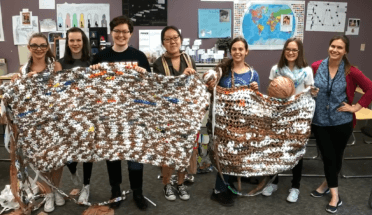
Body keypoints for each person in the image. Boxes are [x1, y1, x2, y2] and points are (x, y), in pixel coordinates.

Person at [310, 35, 372, 213]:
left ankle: (331, 191)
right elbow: (308, 89)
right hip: (320, 121)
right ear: (328, 47)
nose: (335, 50)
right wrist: (311, 92)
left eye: (340, 47)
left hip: (342, 122)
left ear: (345, 51)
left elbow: (371, 89)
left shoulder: (351, 71)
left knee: (335, 157)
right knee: (328, 157)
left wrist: (356, 107)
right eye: (333, 46)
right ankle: (332, 191)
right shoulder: (316, 67)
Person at [90, 15, 149, 211]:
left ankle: (137, 192)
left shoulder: (139, 57)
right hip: (110, 115)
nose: (121, 35)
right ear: (111, 33)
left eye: (125, 31)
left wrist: (144, 77)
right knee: (113, 155)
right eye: (117, 31)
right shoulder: (101, 57)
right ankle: (115, 190)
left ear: (130, 34)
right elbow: (91, 87)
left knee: (135, 156)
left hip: (134, 115)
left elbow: (148, 86)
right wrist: (94, 72)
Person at [206, 37, 259, 207]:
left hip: (242, 121)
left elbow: (254, 101)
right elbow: (209, 84)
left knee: (236, 155)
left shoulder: (252, 74)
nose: (237, 52)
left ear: (246, 51)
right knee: (223, 155)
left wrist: (255, 91)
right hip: (223, 121)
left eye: (240, 49)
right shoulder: (222, 70)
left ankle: (227, 185)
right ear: (230, 51)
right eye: (234, 49)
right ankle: (218, 190)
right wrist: (210, 84)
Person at [262, 38, 314, 203]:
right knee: (275, 150)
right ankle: (273, 182)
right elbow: (272, 92)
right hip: (279, 116)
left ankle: (295, 187)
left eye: (294, 50)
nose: (291, 52)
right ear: (284, 51)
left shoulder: (306, 71)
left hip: (298, 117)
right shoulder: (276, 69)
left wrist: (314, 93)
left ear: (299, 52)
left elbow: (310, 92)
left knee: (296, 151)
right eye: (288, 49)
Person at [17, 33, 63, 213]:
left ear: (47, 47)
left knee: (57, 159)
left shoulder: (55, 66)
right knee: (42, 158)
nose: (39, 49)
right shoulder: (23, 69)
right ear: (29, 47)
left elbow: (62, 92)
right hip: (35, 122)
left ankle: (56, 189)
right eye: (34, 45)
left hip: (54, 120)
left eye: (42, 45)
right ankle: (49, 192)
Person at [152, 25, 197, 201]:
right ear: (163, 43)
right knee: (168, 152)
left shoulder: (188, 59)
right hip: (167, 115)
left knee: (183, 151)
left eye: (175, 37)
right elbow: (159, 91)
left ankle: (180, 183)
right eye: (168, 39)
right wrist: (181, 79)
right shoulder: (158, 63)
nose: (172, 41)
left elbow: (193, 86)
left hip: (186, 114)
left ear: (181, 39)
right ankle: (167, 184)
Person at [57, 27, 94, 204]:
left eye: (78, 40)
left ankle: (86, 186)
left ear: (83, 41)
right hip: (67, 115)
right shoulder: (60, 63)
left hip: (88, 114)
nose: (75, 43)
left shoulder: (92, 62)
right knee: (69, 153)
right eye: (72, 40)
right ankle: (73, 172)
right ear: (67, 42)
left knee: (87, 152)